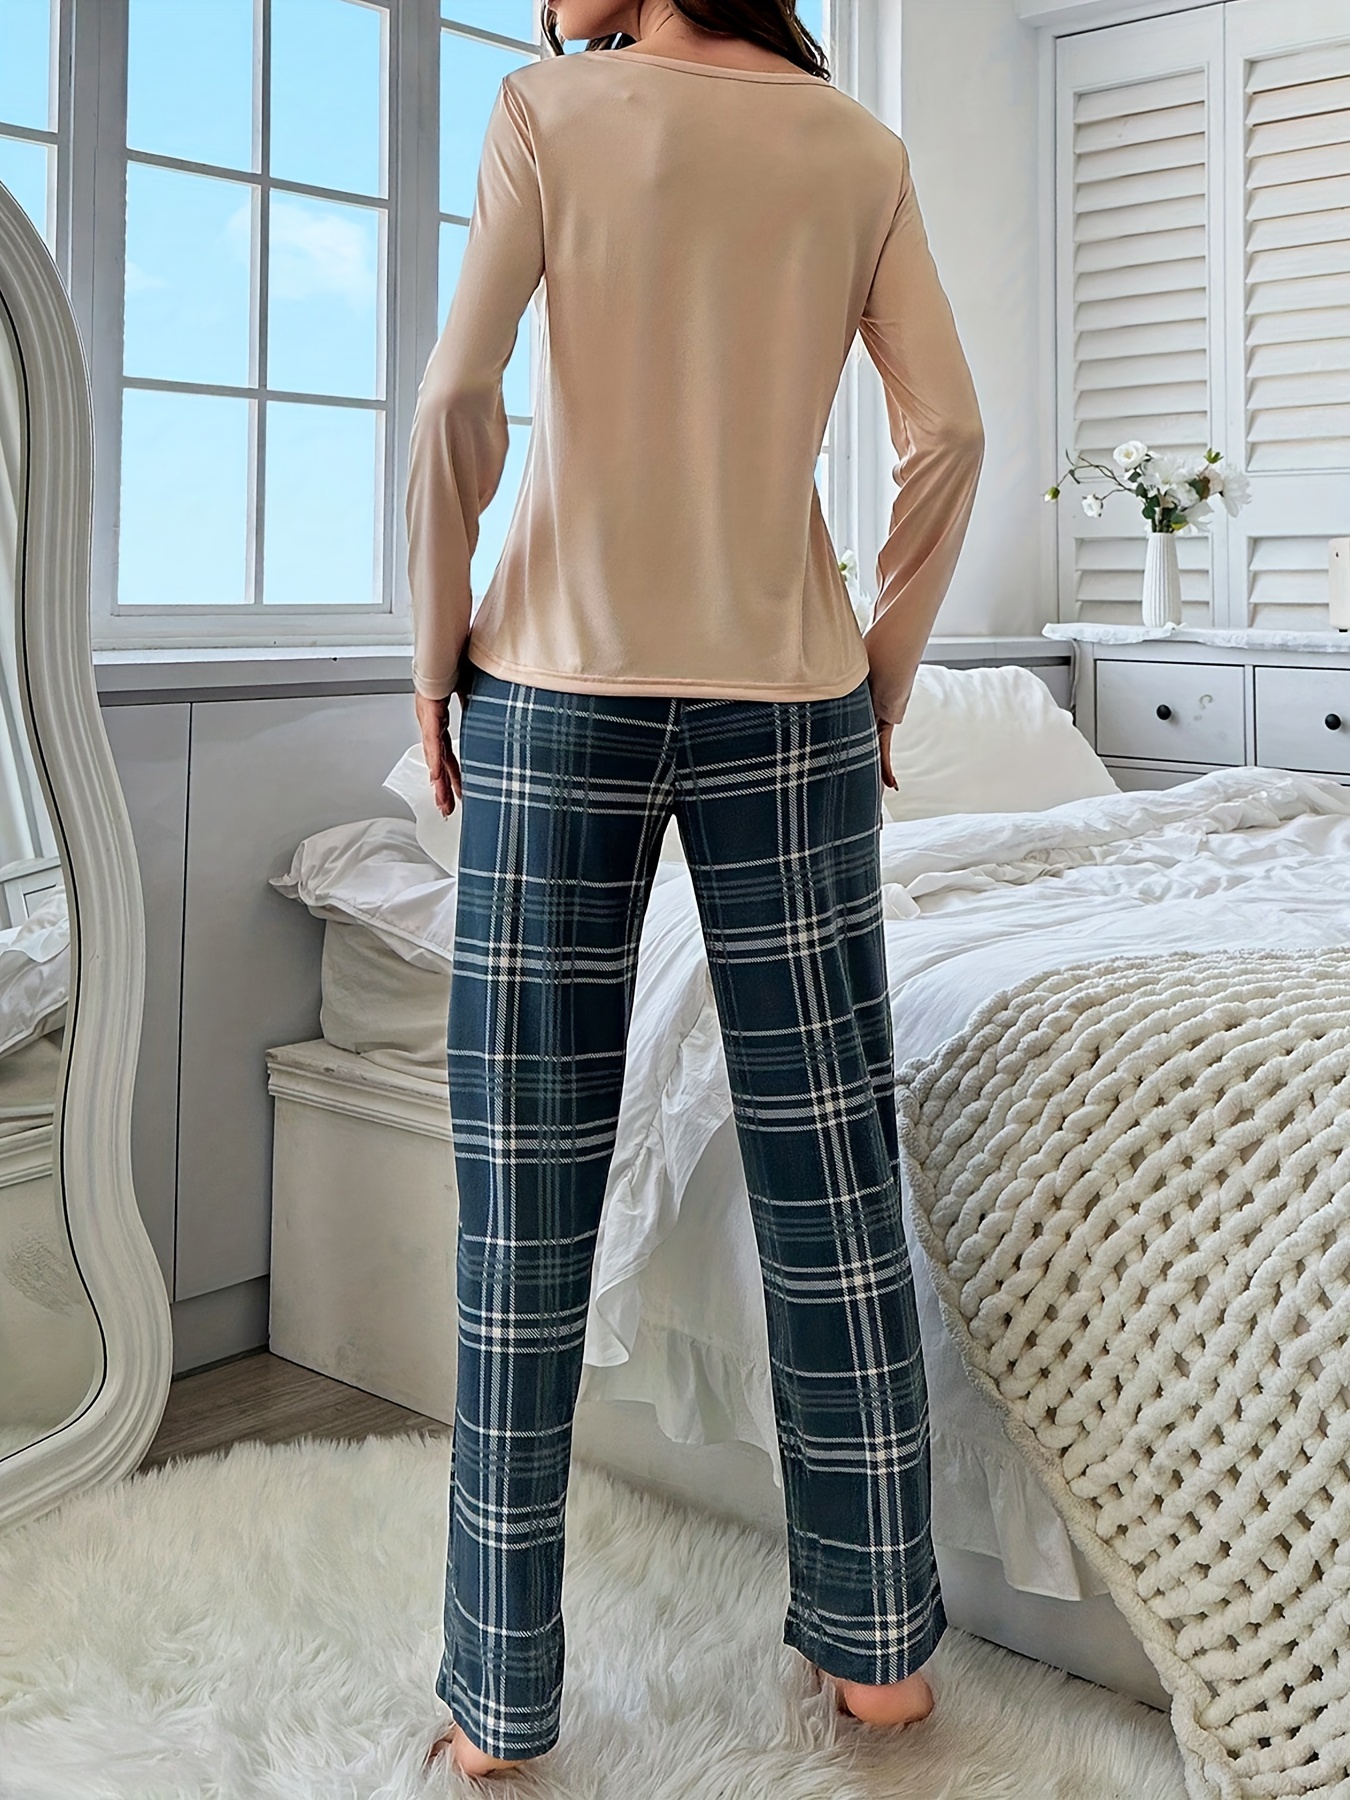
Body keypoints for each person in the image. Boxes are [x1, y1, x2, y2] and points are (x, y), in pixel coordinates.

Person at [405, 0, 984, 1779]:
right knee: (830, 1171)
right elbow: (950, 436)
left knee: (524, 1197)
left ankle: (498, 1700)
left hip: (552, 691)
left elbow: (455, 401)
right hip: (791, 703)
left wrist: (431, 655)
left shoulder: (546, 112)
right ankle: (877, 1658)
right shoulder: (855, 146)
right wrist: (880, 675)